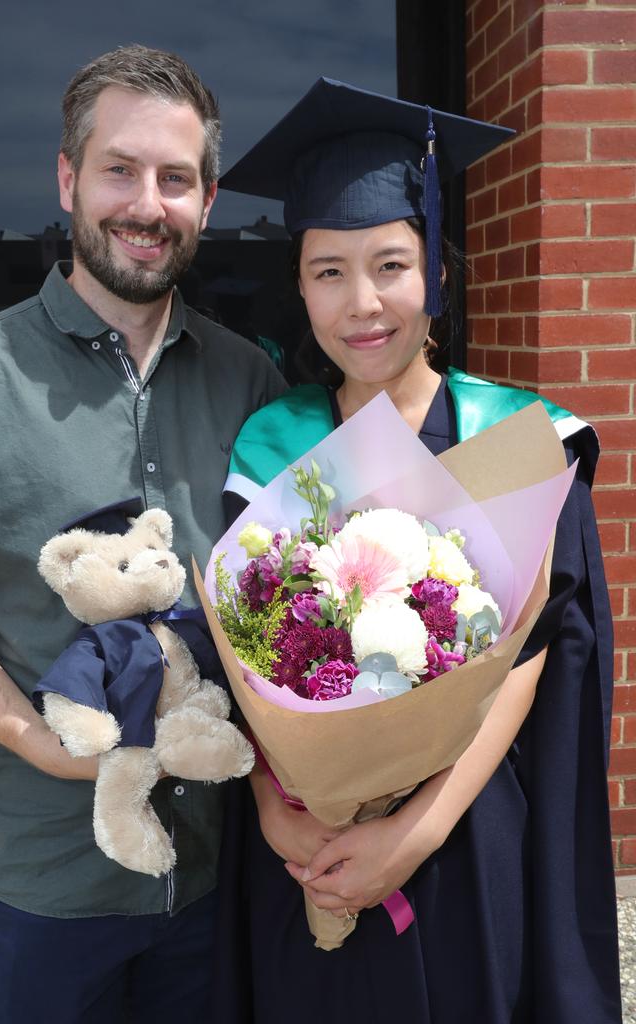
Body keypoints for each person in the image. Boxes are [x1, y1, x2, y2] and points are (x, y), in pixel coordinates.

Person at [0, 45, 285, 1023]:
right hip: (46, 877)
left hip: (211, 874)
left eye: (175, 178)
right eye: (119, 169)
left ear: (207, 199)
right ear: (67, 178)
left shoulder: (249, 382)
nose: (147, 203)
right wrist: (40, 741)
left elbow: (276, 596)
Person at [215, 79, 622, 1022]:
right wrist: (279, 817)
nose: (363, 303)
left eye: (391, 264)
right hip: (307, 851)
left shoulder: (520, 440)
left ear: (439, 272)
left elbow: (532, 660)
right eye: (328, 271)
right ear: (299, 286)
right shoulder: (269, 452)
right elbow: (238, 653)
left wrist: (411, 832)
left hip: (463, 841)